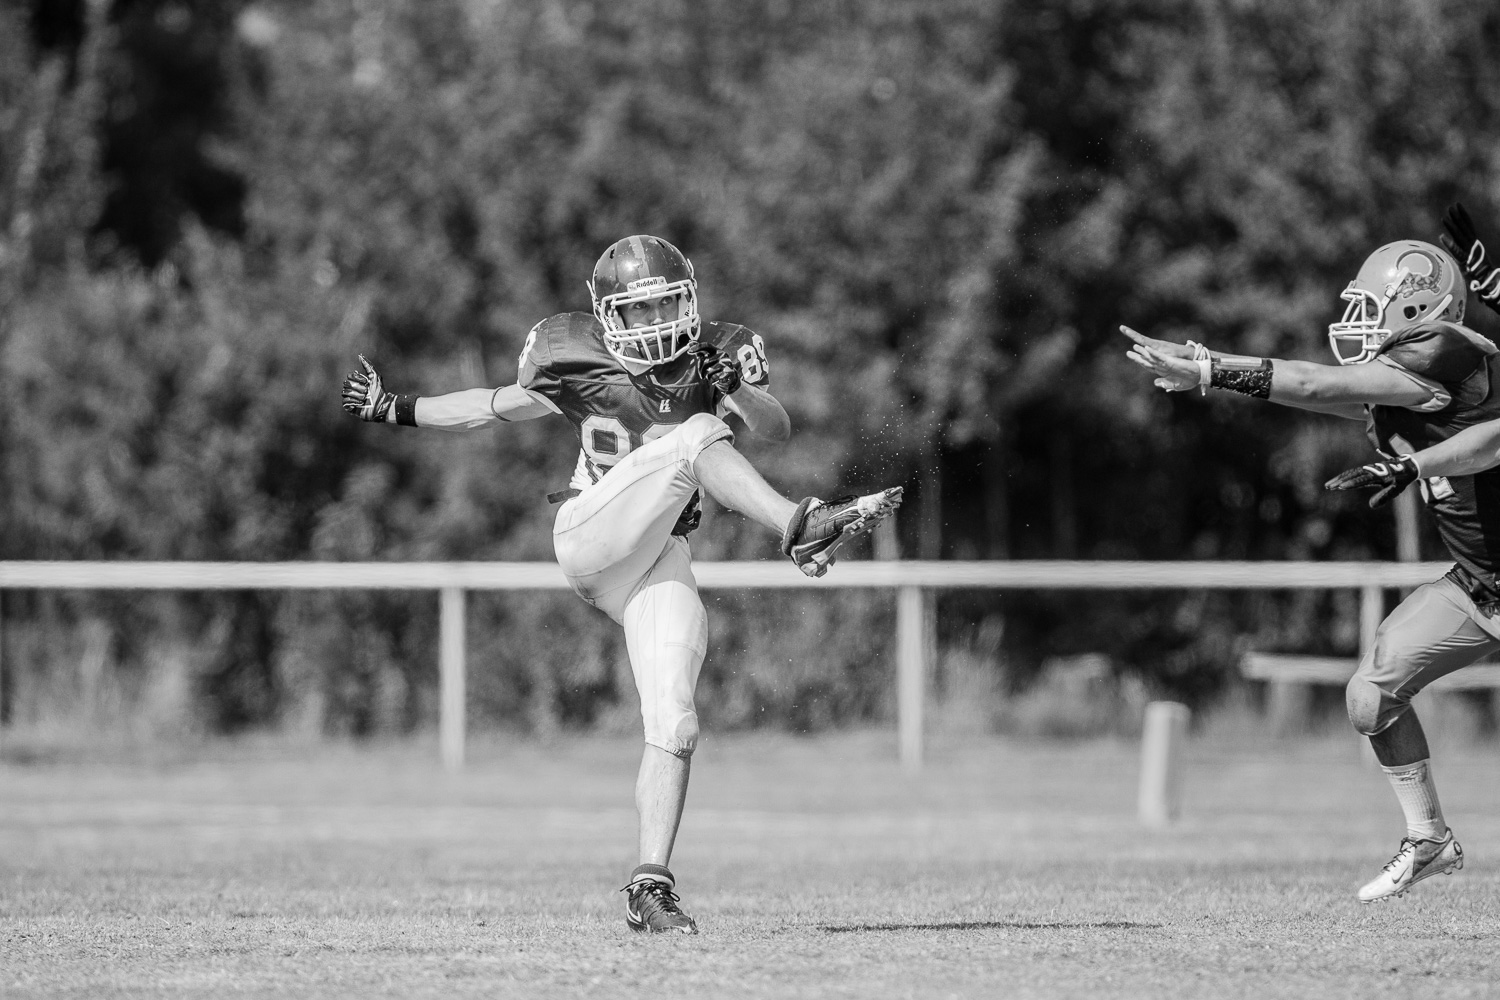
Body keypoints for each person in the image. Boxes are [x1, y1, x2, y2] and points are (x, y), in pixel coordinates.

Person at [341, 234, 902, 934]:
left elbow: (776, 427)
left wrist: (733, 386)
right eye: (641, 310)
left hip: (655, 552)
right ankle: (800, 525)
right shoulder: (570, 355)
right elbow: (491, 404)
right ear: (609, 317)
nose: (658, 321)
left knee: (677, 721)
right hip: (589, 534)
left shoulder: (715, 357)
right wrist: (392, 406)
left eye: (669, 303)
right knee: (693, 436)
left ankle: (650, 887)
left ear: (689, 299)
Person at [1122, 202, 1500, 904]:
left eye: (1374, 305)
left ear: (1421, 305)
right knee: (1372, 695)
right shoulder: (1402, 383)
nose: (1359, 320)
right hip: (1482, 584)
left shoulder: (1448, 350)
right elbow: (1321, 393)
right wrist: (1212, 372)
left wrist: (1212, 370)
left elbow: (1321, 382)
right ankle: (1430, 840)